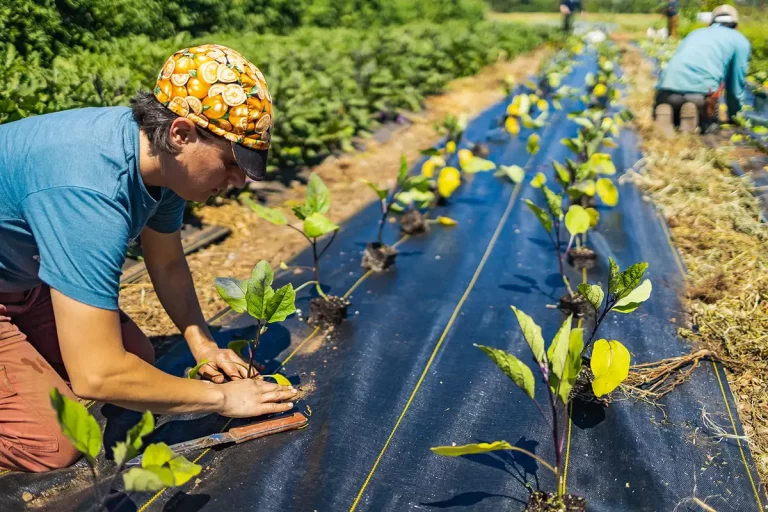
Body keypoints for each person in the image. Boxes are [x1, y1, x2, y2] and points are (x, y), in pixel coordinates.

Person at [0, 44, 297, 473]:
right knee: (56, 444)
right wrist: (224, 397)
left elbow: (168, 263)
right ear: (181, 133)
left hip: (20, 277)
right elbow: (97, 375)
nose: (238, 181)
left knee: (136, 357)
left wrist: (203, 346)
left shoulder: (157, 163)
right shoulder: (90, 193)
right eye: (232, 162)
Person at [654, 5, 751, 135]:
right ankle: (696, 119)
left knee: (672, 106)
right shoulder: (740, 41)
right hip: (700, 95)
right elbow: (735, 86)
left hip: (666, 90)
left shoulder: (695, 33)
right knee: (709, 127)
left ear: (711, 22)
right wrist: (735, 117)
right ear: (736, 25)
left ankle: (666, 109)